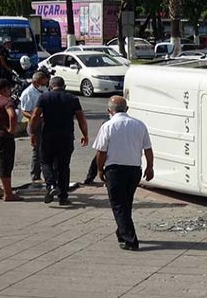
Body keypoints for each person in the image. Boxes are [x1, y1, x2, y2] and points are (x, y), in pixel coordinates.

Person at [93, 96, 154, 251]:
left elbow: (101, 152)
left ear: (109, 111)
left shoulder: (108, 126)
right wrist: (150, 167)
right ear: (127, 109)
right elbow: (148, 149)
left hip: (115, 170)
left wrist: (100, 170)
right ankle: (122, 231)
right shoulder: (139, 125)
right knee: (126, 202)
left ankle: (130, 240)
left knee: (118, 204)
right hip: (134, 170)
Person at [29, 76, 88, 206]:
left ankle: (50, 185)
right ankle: (63, 197)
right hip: (66, 137)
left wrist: (32, 133)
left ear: (50, 86)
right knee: (63, 167)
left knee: (46, 162)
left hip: (48, 136)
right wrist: (85, 134)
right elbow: (81, 118)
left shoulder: (44, 97)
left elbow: (34, 116)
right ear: (64, 86)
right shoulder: (73, 99)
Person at [19, 72, 49, 183]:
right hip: (35, 124)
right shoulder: (28, 93)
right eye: (42, 82)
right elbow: (24, 111)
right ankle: (35, 175)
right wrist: (35, 117)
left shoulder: (44, 90)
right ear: (36, 82)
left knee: (46, 150)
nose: (44, 85)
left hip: (45, 123)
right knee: (37, 150)